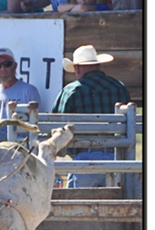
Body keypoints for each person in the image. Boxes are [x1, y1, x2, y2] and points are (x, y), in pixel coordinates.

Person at [51, 44, 131, 187]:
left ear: (77, 68)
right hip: (116, 159)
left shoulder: (71, 91)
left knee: (79, 206)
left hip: (84, 160)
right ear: (98, 65)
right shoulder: (119, 87)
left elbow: (56, 124)